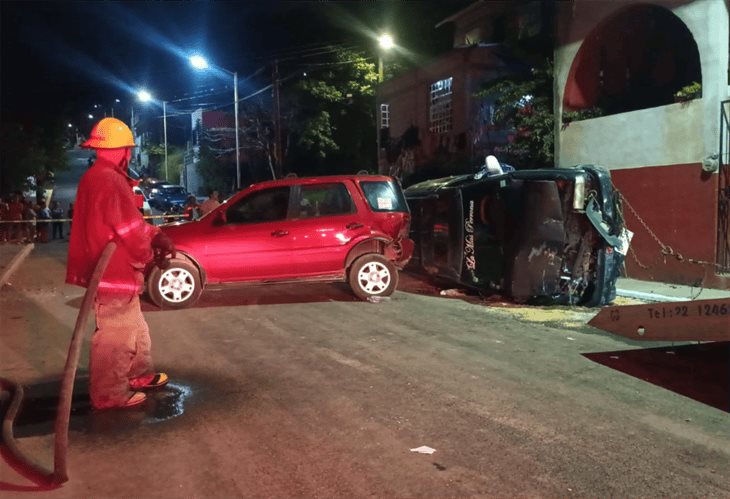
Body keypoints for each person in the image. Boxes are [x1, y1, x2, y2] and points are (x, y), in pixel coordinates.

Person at [66, 117, 176, 410]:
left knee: (134, 328)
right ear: (124, 151)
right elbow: (128, 228)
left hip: (113, 270)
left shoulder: (98, 176)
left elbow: (127, 223)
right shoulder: (110, 180)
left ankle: (138, 374)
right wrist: (151, 249)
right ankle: (108, 394)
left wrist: (154, 235)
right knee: (116, 336)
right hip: (113, 273)